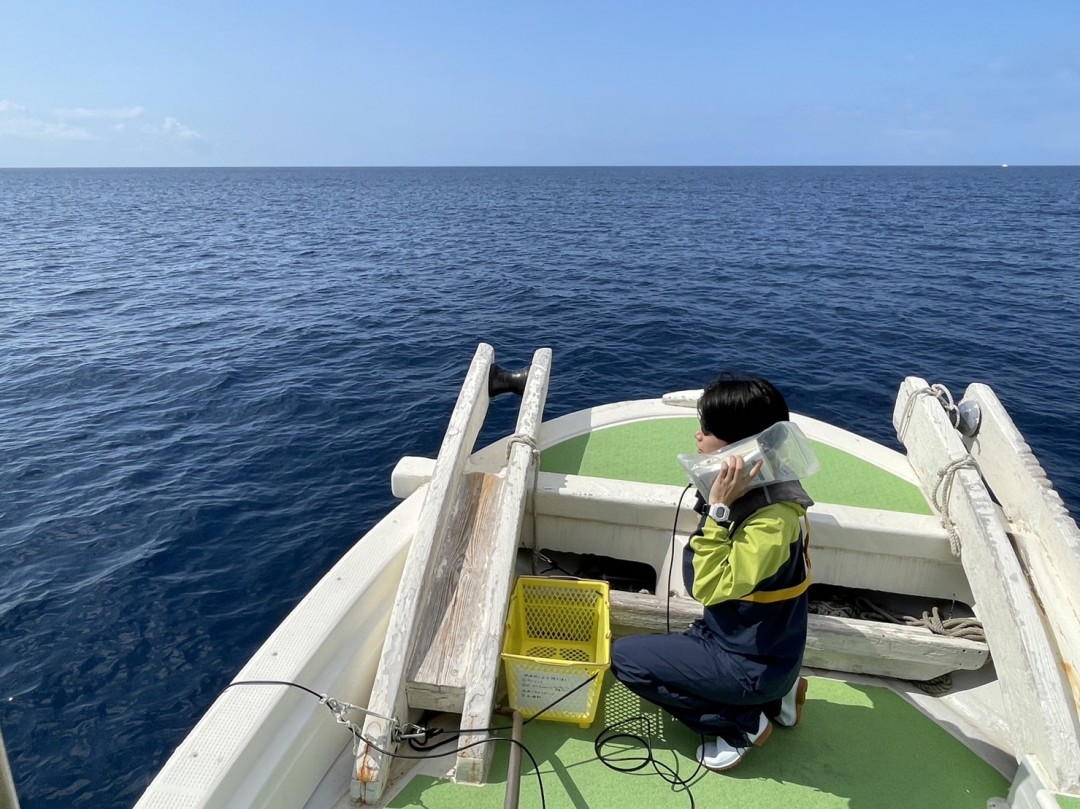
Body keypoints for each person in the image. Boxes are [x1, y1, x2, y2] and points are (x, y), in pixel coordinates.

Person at [610, 375, 813, 771]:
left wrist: (717, 510)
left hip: (749, 662)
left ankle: (743, 723)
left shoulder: (771, 523)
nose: (697, 436)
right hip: (770, 648)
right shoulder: (778, 489)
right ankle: (780, 697)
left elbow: (706, 586)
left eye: (707, 431)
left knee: (625, 660)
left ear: (743, 446)